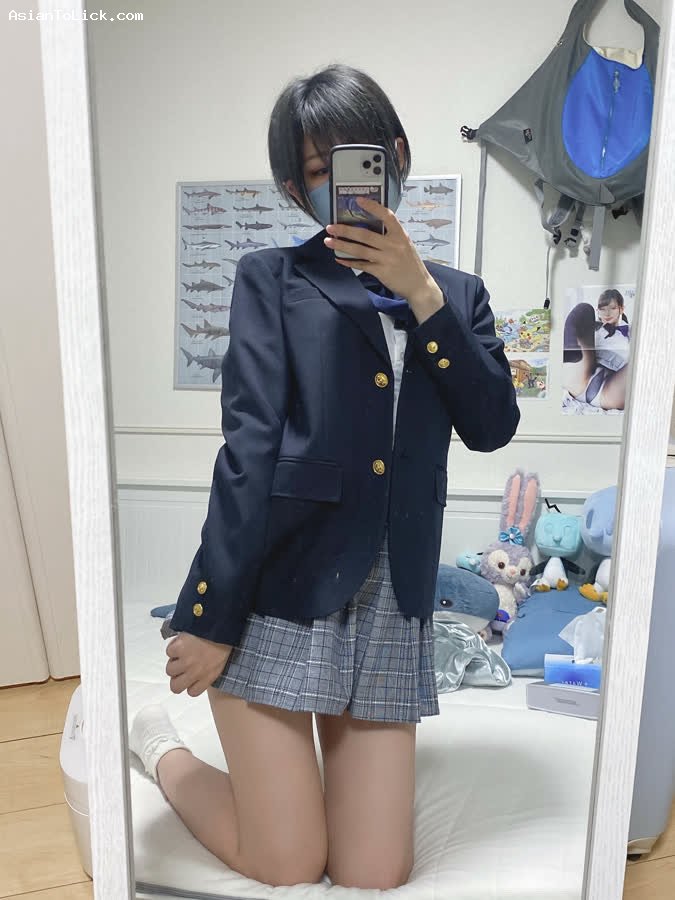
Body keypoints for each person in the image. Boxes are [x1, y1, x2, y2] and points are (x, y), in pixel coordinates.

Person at [129, 63, 520, 890]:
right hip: (277, 587)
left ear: (396, 157)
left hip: (389, 598)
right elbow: (249, 450)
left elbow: (491, 427)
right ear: (291, 188)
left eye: (358, 158)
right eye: (315, 171)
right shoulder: (271, 278)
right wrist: (209, 614)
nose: (338, 183)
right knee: (288, 862)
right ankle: (160, 750)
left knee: (372, 873)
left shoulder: (458, 297)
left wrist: (420, 293)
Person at [562, 288, 631, 411]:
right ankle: (569, 349)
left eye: (612, 308)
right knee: (584, 308)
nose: (607, 313)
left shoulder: (630, 330)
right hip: (582, 377)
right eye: (602, 309)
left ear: (621, 309)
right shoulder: (593, 328)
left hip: (610, 390)